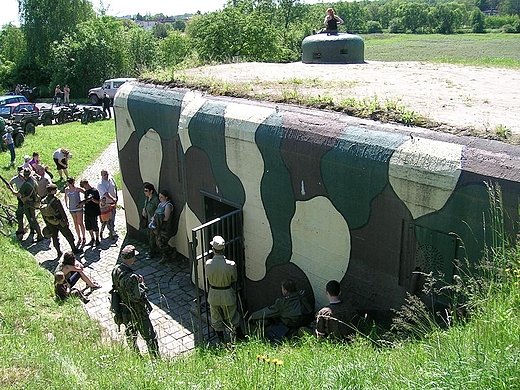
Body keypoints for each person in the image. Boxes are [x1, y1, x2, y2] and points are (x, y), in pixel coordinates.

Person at [111, 244, 160, 358]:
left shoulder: (115, 270)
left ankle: (136, 356)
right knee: (150, 336)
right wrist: (141, 283)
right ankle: (155, 358)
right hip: (137, 311)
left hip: (124, 309)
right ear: (132, 258)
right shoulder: (132, 277)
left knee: (131, 335)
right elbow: (137, 296)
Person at [205, 236, 244, 343]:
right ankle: (238, 338)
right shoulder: (231, 264)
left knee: (216, 318)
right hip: (227, 292)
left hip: (213, 293)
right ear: (224, 249)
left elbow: (208, 277)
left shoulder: (208, 264)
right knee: (233, 317)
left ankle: (221, 341)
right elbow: (234, 278)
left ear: (213, 249)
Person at [40, 183, 82, 259]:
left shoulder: (43, 201)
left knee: (55, 237)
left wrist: (47, 223)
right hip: (59, 221)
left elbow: (43, 213)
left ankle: (58, 252)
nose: (56, 191)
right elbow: (62, 212)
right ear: (52, 191)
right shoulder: (56, 200)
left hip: (50, 222)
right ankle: (74, 249)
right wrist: (66, 221)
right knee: (68, 235)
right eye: (55, 190)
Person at [7, 168, 44, 242]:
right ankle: (22, 230)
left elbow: (17, 194)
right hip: (33, 201)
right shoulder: (33, 180)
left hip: (28, 204)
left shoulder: (26, 184)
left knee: (31, 219)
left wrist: (11, 188)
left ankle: (39, 235)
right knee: (28, 216)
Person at [150, 189, 177, 264]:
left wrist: (158, 220)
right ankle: (170, 252)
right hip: (159, 226)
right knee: (158, 241)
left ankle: (167, 256)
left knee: (161, 242)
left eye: (161, 197)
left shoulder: (168, 205)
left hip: (165, 227)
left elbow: (166, 218)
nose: (160, 198)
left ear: (166, 197)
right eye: (159, 197)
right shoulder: (160, 204)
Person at [78, 178, 101, 246]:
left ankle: (97, 239)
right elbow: (86, 201)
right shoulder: (86, 192)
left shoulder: (94, 191)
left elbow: (98, 202)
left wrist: (92, 199)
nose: (84, 188)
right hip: (87, 211)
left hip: (93, 211)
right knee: (88, 226)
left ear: (86, 184)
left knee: (95, 225)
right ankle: (92, 238)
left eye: (84, 187)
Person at [64, 176, 86, 246]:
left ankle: (83, 236)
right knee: (75, 223)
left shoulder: (77, 189)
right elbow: (66, 196)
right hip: (72, 208)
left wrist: (83, 202)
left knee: (80, 223)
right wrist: (66, 204)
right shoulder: (66, 190)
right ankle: (79, 237)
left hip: (78, 208)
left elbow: (85, 193)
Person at [97, 169, 118, 238]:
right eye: (104, 175)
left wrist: (116, 197)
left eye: (107, 174)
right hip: (106, 204)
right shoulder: (100, 184)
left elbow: (115, 187)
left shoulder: (111, 179)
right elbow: (105, 193)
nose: (106, 176)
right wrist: (113, 198)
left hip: (113, 202)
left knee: (113, 216)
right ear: (102, 175)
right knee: (106, 219)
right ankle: (107, 231)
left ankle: (112, 229)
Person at [142, 183, 159, 260]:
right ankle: (152, 250)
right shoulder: (147, 198)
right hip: (148, 221)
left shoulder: (155, 200)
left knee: (152, 238)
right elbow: (145, 206)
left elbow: (158, 210)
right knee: (149, 236)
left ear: (151, 191)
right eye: (144, 191)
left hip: (153, 222)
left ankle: (151, 253)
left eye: (146, 191)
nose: (145, 192)